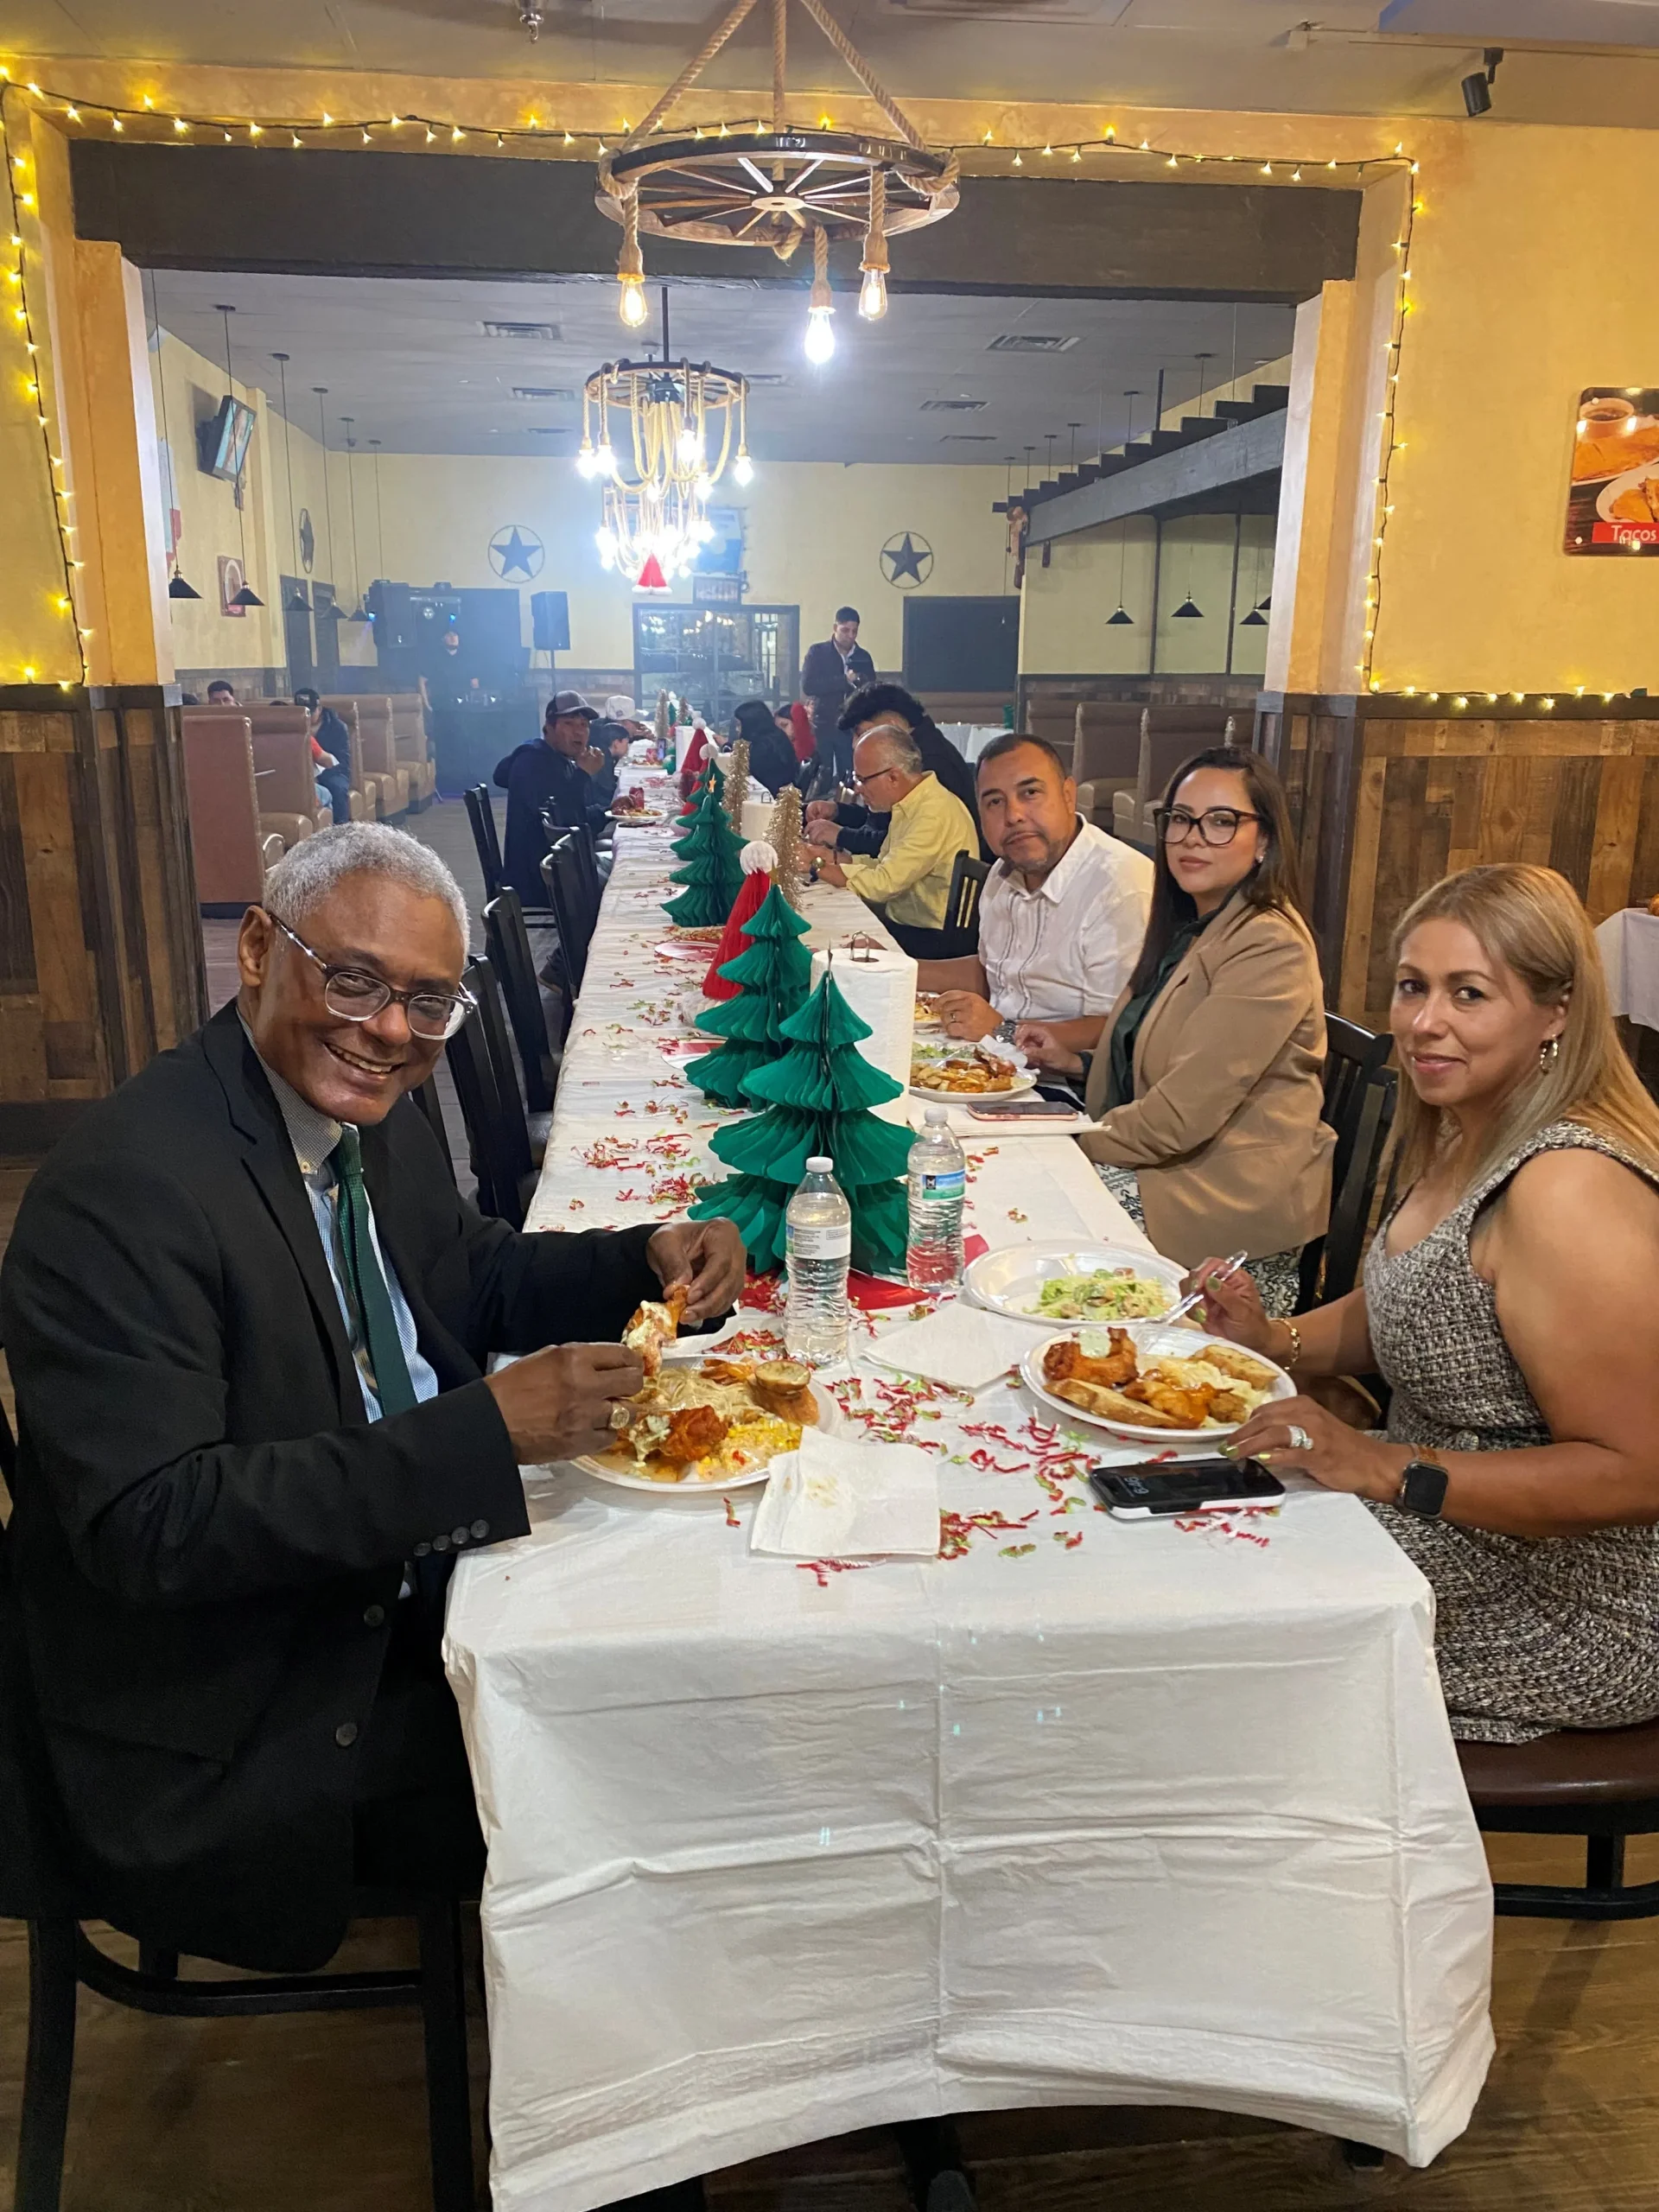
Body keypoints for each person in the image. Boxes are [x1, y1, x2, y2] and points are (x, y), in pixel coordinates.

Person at [0, 823, 746, 1973]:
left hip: (379, 1579)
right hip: (247, 1712)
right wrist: (483, 1434)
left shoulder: (354, 1111)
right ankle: (644, 2096)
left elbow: (470, 1271)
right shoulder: (124, 1192)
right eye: (353, 979)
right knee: (663, 1741)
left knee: (708, 1617)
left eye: (428, 1001)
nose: (390, 1029)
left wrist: (643, 1255)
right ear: (257, 948)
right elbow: (153, 1529)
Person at [1195, 862, 1659, 1745]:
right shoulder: (1469, 1127)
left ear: (1555, 1012)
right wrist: (1270, 1336)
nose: (1422, 1021)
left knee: (1206, 1621)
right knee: (1176, 1520)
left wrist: (1385, 1466)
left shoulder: (1566, 1186)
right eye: (1413, 986)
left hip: (1573, 1605)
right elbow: (1412, 1308)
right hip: (1449, 1519)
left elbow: (1638, 1472)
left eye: (1469, 993)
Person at [1018, 746, 1331, 1308]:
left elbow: (1183, 1116)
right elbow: (1166, 1061)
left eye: (1220, 822)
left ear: (1264, 842)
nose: (1191, 837)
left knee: (1030, 1224)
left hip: (1221, 1216)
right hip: (1167, 1169)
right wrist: (1078, 1064)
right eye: (1180, 819)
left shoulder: (1268, 943)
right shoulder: (1192, 927)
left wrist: (1068, 1143)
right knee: (1010, 1192)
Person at [916, 734, 1154, 1058]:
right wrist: (893, 966)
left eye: (1030, 793)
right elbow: (995, 973)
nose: (1013, 815)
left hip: (1069, 1087)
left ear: (1069, 796)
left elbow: (1117, 1028)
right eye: (995, 802)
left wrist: (1003, 1031)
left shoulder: (1120, 885)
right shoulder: (1002, 875)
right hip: (995, 1057)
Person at [814, 723, 978, 959]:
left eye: (862, 780)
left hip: (929, 940)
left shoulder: (933, 812)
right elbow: (882, 864)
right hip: (907, 925)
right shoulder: (912, 802)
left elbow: (882, 885)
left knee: (828, 944)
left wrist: (817, 865)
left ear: (893, 776)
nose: (858, 789)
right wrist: (830, 859)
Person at [806, 683, 981, 860]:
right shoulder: (915, 750)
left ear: (893, 725)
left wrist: (840, 835)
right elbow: (881, 819)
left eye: (863, 733)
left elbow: (893, 845)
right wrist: (838, 812)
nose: (854, 744)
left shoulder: (928, 763)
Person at [493, 690, 607, 906]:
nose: (579, 732)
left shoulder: (560, 761)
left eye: (584, 725)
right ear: (549, 729)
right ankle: (583, 940)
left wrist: (609, 811)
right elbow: (560, 823)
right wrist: (582, 776)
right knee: (619, 892)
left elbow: (576, 817)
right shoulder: (531, 763)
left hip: (559, 866)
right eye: (569, 724)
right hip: (539, 878)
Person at [800, 606, 875, 779]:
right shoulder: (818, 652)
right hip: (823, 722)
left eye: (854, 632)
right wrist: (843, 681)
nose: (850, 636)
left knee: (849, 773)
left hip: (850, 724)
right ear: (835, 628)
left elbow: (871, 690)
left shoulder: (863, 657)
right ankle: (817, 804)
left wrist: (859, 681)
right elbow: (808, 686)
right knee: (821, 772)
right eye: (845, 630)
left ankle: (843, 805)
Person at [293, 685, 353, 827]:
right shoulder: (291, 727)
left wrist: (320, 775)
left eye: (310, 712)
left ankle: (341, 829)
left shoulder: (336, 726)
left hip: (333, 772)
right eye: (302, 712)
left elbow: (340, 761)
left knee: (337, 788)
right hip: (301, 773)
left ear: (319, 709)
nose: (306, 716)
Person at [732, 696, 801, 798]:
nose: (737, 729)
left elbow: (750, 775)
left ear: (750, 723)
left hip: (774, 799)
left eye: (739, 725)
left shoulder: (763, 747)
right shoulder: (775, 736)